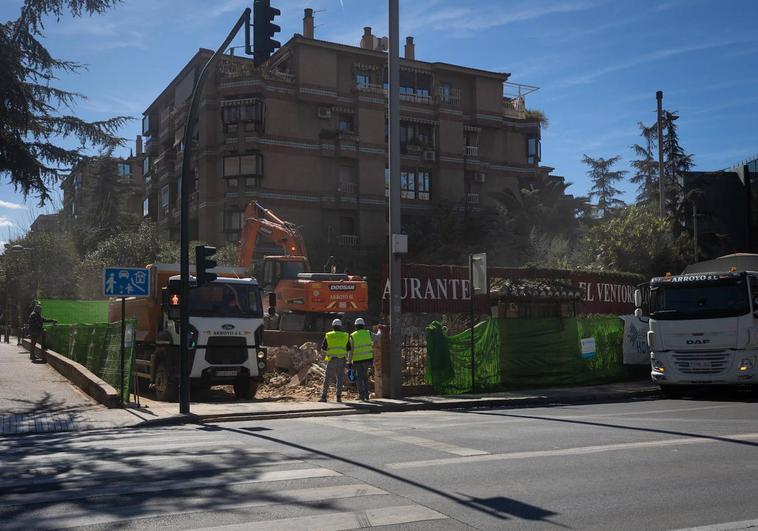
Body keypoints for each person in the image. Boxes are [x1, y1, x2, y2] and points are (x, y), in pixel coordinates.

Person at [349, 317, 382, 401]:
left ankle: (361, 395)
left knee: (359, 378)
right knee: (365, 377)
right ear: (363, 325)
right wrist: (379, 330)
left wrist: (349, 361)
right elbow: (378, 337)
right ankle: (367, 395)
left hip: (357, 360)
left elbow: (351, 350)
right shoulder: (368, 333)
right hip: (367, 359)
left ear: (356, 326)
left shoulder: (353, 335)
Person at [319, 318, 351, 403]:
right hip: (341, 360)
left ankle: (324, 396)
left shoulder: (328, 335)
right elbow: (349, 349)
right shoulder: (345, 335)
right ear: (340, 327)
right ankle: (338, 397)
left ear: (333, 326)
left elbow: (323, 348)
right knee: (340, 378)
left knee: (327, 378)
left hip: (331, 359)